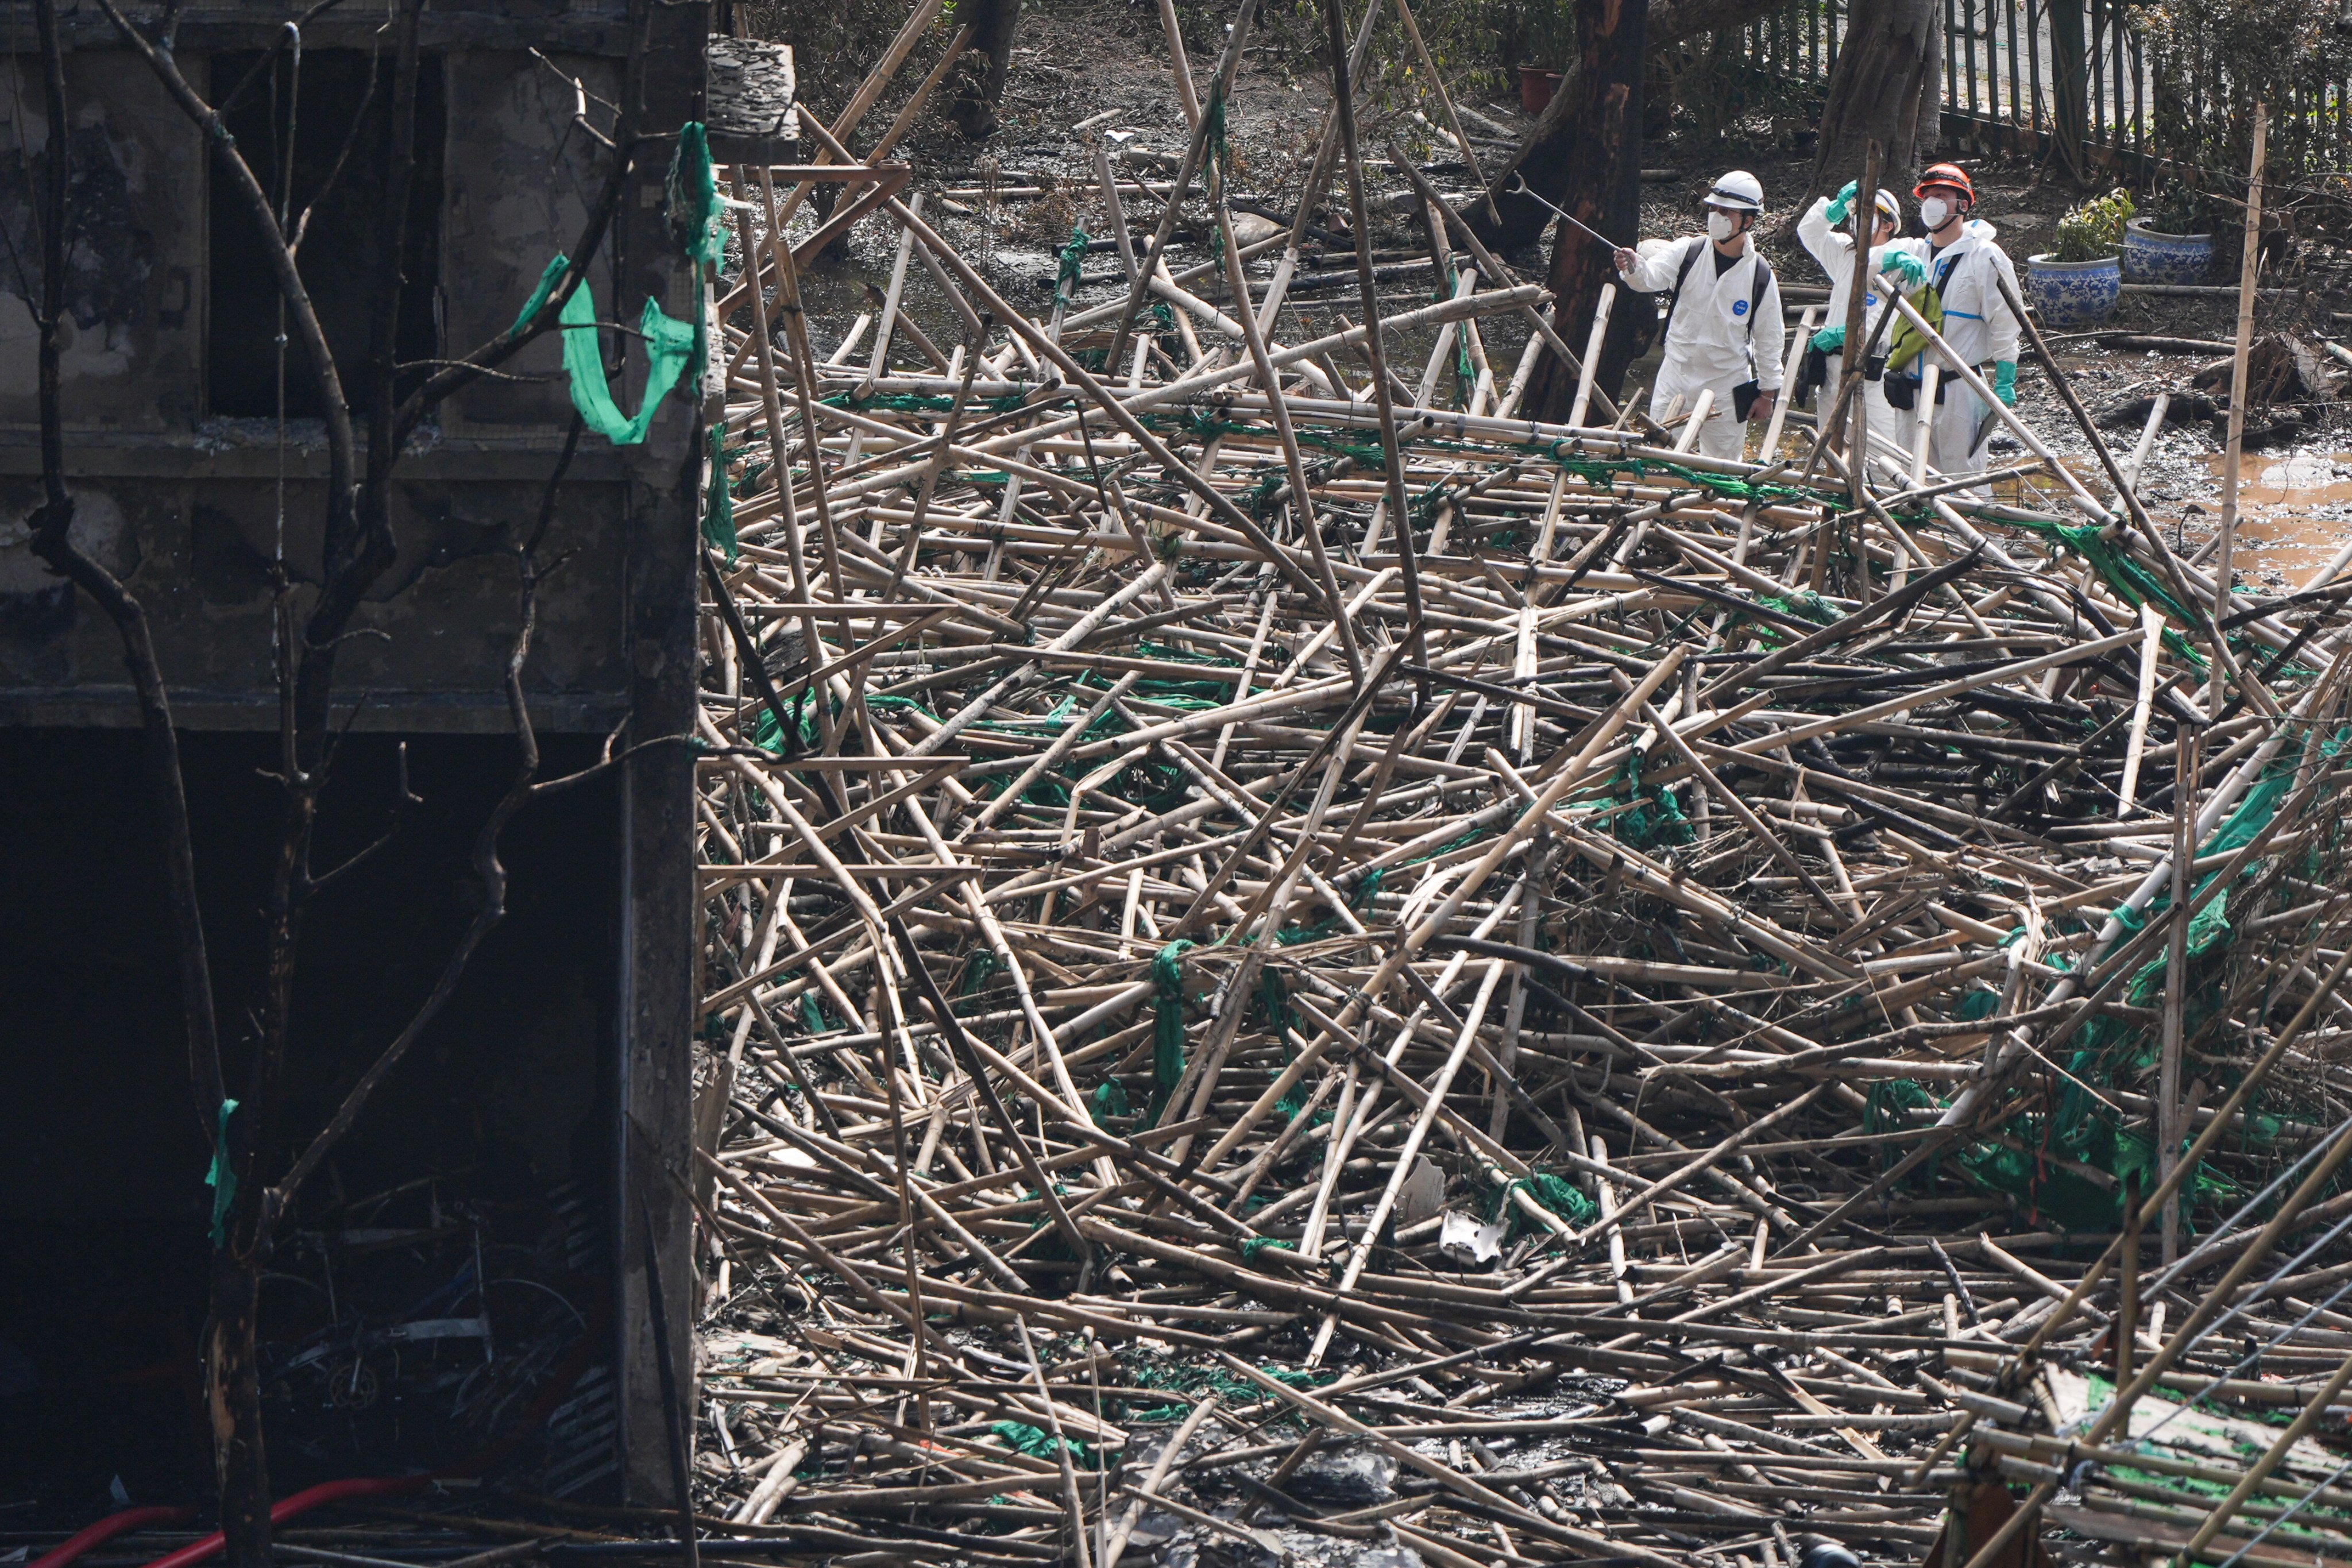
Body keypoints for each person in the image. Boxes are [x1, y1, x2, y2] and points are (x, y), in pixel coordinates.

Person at [1611, 171, 1783, 462]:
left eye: (1726, 211)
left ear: (1748, 220)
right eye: (1714, 208)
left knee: (1722, 467)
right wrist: (1633, 267)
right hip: (1676, 376)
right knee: (1660, 458)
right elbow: (1650, 278)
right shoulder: (1687, 251)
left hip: (1727, 386)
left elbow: (1770, 339)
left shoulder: (1761, 276)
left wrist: (1767, 394)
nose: (1716, 216)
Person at [1907, 162, 2022, 485]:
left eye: (1941, 196)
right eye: (1927, 196)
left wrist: (2006, 375)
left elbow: (2005, 319)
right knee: (1911, 479)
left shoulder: (1984, 256)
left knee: (1963, 481)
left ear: (1963, 204)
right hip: (1910, 387)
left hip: (1958, 386)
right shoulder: (1914, 254)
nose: (1932, 204)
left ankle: (1974, 536)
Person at [1795, 181, 1924, 449]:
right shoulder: (1845, 252)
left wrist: (1853, 335)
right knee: (1832, 447)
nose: (1857, 221)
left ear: (1888, 224)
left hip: (1872, 368)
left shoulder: (1903, 251)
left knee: (1880, 451)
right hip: (1832, 367)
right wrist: (1833, 210)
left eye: (1867, 214)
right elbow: (1809, 232)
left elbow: (1888, 315)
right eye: (1856, 215)